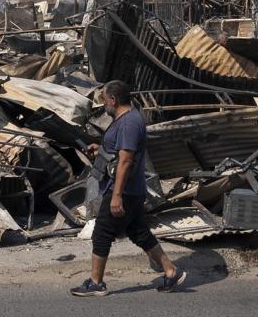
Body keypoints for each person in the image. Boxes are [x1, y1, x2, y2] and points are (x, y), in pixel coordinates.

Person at [71, 80, 185, 297]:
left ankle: (96, 283)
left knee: (102, 233)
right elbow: (117, 152)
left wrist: (116, 196)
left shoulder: (130, 122)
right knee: (138, 232)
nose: (104, 105)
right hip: (130, 190)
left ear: (113, 100)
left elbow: (125, 160)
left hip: (125, 191)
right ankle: (171, 272)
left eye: (104, 100)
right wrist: (101, 148)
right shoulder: (124, 120)